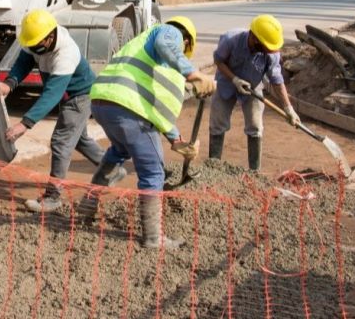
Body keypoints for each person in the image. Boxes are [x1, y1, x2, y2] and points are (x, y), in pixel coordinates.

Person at [87, 16, 216, 250]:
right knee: (153, 172)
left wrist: (176, 139)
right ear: (186, 40)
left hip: (103, 104)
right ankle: (153, 239)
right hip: (128, 109)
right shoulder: (168, 31)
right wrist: (194, 74)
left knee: (118, 152)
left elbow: (156, 107)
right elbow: (166, 44)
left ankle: (87, 207)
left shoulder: (151, 62)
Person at [0, 9, 106, 213]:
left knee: (61, 142)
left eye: (37, 44)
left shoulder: (66, 53)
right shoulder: (35, 40)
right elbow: (24, 62)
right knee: (79, 140)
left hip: (79, 96)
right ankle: (111, 167)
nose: (34, 48)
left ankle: (53, 197)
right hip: (67, 95)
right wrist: (9, 84)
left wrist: (25, 124)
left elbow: (52, 94)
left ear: (51, 36)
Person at [208, 14, 300, 171]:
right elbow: (218, 60)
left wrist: (288, 108)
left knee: (255, 127)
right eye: (266, 46)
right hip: (226, 82)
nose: (269, 50)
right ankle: (213, 168)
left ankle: (254, 172)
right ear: (254, 38)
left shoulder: (271, 53)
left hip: (254, 86)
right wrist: (235, 79)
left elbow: (276, 80)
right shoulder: (231, 39)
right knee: (217, 123)